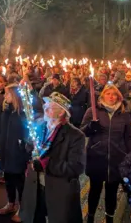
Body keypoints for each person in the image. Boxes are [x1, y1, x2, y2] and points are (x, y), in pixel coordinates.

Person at [20, 92, 85, 223]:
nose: (45, 109)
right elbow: (30, 149)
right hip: (36, 186)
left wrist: (47, 164)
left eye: (50, 107)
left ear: (61, 113)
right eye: (45, 106)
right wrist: (28, 144)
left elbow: (76, 167)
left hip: (58, 190)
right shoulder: (40, 126)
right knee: (35, 217)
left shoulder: (75, 136)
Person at [81, 84, 131, 223]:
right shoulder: (93, 111)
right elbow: (81, 132)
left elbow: (129, 137)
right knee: (95, 189)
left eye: (114, 94)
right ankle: (91, 216)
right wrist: (90, 127)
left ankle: (110, 217)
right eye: (108, 94)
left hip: (117, 159)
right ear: (102, 96)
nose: (111, 96)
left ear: (118, 97)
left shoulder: (124, 114)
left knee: (112, 192)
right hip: (97, 156)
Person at [0, 84, 30, 222]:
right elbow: (1, 131)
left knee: (19, 181)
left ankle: (22, 209)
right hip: (6, 151)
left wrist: (24, 149)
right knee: (9, 178)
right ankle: (10, 203)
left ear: (15, 96)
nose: (5, 96)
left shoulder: (22, 114)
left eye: (8, 94)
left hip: (17, 152)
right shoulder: (5, 112)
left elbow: (28, 134)